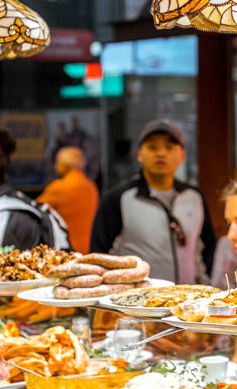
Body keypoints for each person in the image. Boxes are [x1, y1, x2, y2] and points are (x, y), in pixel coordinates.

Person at [91, 120, 216, 284]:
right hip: (135, 304)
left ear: (182, 155)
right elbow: (98, 254)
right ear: (139, 154)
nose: (161, 154)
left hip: (187, 301)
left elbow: (209, 247)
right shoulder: (119, 198)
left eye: (169, 147)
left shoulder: (194, 196)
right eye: (152, 147)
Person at [37, 147, 99, 253]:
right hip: (89, 247)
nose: (55, 166)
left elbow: (34, 209)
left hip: (66, 249)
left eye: (56, 162)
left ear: (63, 165)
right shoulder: (91, 186)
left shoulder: (58, 188)